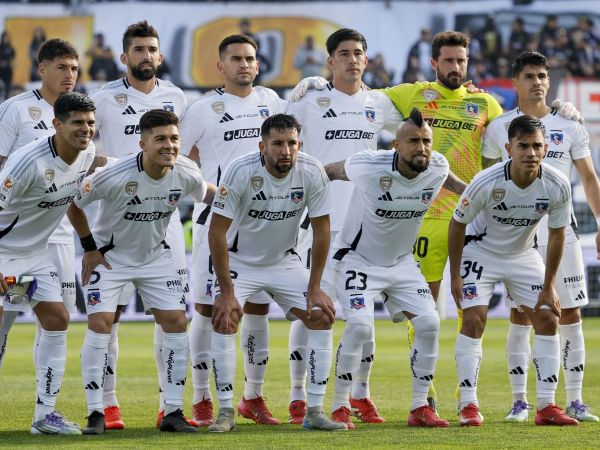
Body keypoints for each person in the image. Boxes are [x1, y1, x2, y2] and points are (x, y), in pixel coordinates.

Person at [68, 109, 214, 435]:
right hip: (111, 259)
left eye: (174, 139)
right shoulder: (113, 174)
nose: (169, 145)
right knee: (101, 324)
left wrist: (243, 199)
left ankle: (173, 411)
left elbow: (208, 194)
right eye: (160, 139)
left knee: (176, 323)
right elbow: (74, 204)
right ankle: (96, 413)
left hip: (155, 258)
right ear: (143, 144)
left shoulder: (185, 171)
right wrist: (89, 247)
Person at [286, 28, 402, 426]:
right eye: (344, 53)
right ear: (330, 61)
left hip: (366, 226)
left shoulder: (379, 103)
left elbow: (422, 117)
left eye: (358, 53)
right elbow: (276, 136)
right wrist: (298, 91)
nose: (352, 59)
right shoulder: (309, 100)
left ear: (366, 60)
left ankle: (360, 394)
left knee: (361, 315)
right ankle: (298, 395)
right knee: (311, 310)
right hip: (317, 221)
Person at [324, 108, 465, 429]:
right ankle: (340, 405)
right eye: (413, 141)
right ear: (396, 146)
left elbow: (457, 185)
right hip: (356, 259)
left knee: (429, 322)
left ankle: (420, 407)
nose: (422, 148)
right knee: (359, 325)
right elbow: (327, 171)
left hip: (401, 263)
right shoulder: (368, 165)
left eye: (426, 141)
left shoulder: (438, 166)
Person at [207, 113, 345, 432]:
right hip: (240, 261)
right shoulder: (241, 170)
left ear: (300, 144)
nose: (286, 151)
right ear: (263, 146)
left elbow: (322, 230)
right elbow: (217, 232)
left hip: (284, 261)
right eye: (278, 144)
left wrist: (315, 287)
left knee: (321, 315)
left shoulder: (311, 171)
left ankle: (314, 410)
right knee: (225, 318)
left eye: (292, 143)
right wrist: (226, 292)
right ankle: (226, 411)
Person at [481, 51, 600, 423]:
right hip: (519, 237)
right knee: (522, 315)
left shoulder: (570, 124)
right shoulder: (499, 128)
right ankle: (520, 402)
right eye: (530, 76)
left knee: (571, 313)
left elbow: (589, 178)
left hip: (563, 232)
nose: (537, 82)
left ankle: (575, 400)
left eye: (542, 76)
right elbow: (487, 184)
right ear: (515, 82)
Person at [179, 34, 286, 427]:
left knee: (257, 307)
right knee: (208, 308)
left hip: (264, 221)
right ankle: (202, 398)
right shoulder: (202, 108)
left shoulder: (272, 102)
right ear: (220, 66)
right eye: (236, 58)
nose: (244, 64)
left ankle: (252, 397)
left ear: (258, 65)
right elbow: (177, 157)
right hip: (218, 220)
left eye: (250, 58)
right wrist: (208, 188)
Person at [89, 20, 190, 430]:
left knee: (171, 316)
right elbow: (85, 152)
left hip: (164, 223)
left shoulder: (177, 96)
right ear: (124, 56)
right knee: (107, 317)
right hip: (115, 221)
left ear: (160, 56)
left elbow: (182, 151)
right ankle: (107, 404)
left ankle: (169, 405)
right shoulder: (103, 98)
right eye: (138, 49)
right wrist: (116, 168)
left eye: (151, 49)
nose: (145, 56)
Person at [449, 114, 578, 427]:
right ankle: (468, 405)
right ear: (509, 148)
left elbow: (557, 234)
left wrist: (549, 285)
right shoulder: (486, 181)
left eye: (537, 146)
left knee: (548, 317)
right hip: (480, 251)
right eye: (523, 146)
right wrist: (454, 276)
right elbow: (457, 223)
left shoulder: (557, 184)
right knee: (475, 319)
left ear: (545, 148)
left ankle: (546, 406)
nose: (531, 153)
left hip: (522, 255)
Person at [0, 91, 96, 434]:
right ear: (57, 124)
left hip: (35, 256)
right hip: (4, 254)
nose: (86, 129)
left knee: (57, 319)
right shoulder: (27, 162)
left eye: (90, 123)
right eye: (78, 123)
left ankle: (44, 416)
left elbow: (73, 202)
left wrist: (89, 245)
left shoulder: (87, 154)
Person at [0, 39, 81, 375]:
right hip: (18, 238)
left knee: (55, 319)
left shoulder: (77, 113)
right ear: (42, 69)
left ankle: (44, 399)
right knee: (6, 314)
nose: (69, 75)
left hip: (58, 237)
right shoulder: (17, 110)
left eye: (74, 68)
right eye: (61, 67)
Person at [0, 31, 15, 101]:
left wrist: (10, 63)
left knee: (8, 86)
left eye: (7, 38)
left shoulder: (11, 48)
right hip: (1, 70)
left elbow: (13, 58)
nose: (6, 39)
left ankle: (6, 99)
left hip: (8, 70)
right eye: (5, 37)